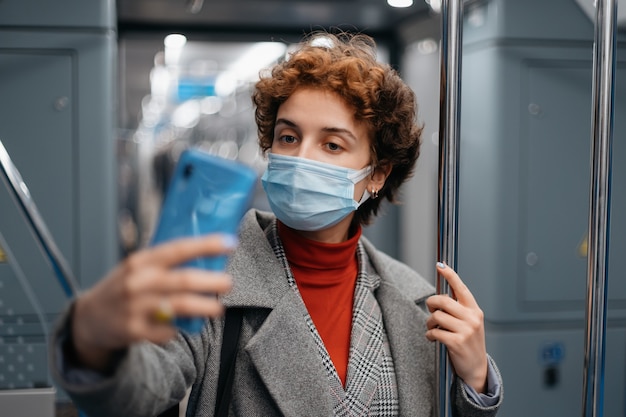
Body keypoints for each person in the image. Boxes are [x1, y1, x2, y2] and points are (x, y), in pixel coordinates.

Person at [49, 31, 502, 416]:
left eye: (332, 145)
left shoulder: (413, 301)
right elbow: (138, 391)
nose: (302, 156)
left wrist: (477, 381)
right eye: (289, 136)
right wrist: (93, 342)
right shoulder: (209, 278)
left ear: (377, 174)